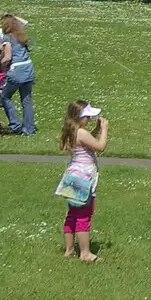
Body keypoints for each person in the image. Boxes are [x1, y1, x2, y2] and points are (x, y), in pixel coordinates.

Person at [58, 101, 107, 262]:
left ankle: (69, 249)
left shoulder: (71, 131)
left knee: (72, 214)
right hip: (84, 179)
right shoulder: (82, 133)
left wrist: (96, 130)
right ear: (79, 117)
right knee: (84, 215)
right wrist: (104, 130)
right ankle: (85, 253)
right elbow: (100, 146)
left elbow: (86, 142)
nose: (90, 119)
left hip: (72, 177)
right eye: (87, 117)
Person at [0, 16, 36, 136]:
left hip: (16, 71)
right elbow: (25, 22)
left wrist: (0, 64)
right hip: (28, 69)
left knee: (5, 96)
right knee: (26, 101)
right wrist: (13, 17)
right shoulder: (21, 36)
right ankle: (29, 130)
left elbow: (8, 57)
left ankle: (15, 124)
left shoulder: (7, 38)